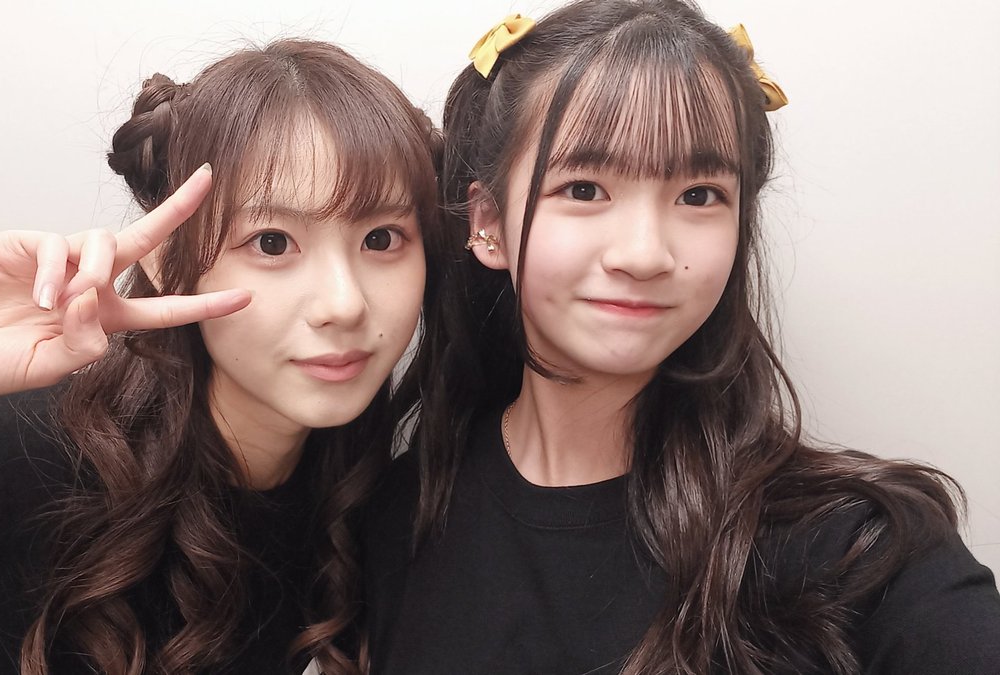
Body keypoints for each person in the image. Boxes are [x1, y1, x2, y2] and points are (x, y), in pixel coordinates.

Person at [366, 1, 1000, 673]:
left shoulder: (859, 549)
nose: (645, 254)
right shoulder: (400, 514)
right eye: (584, 189)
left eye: (699, 195)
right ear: (488, 222)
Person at [0, 39, 443, 675]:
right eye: (272, 242)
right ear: (166, 259)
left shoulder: (364, 501)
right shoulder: (3, 472)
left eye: (381, 238)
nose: (343, 304)